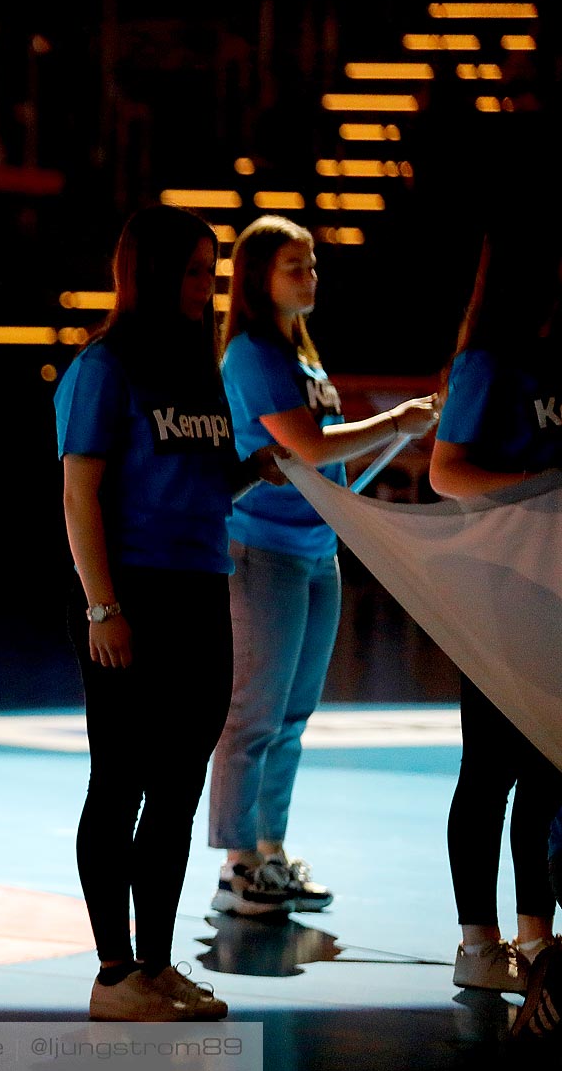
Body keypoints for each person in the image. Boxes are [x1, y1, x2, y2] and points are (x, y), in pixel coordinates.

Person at [54, 203, 281, 1021]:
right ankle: (114, 973)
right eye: (191, 271)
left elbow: (210, 481)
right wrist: (102, 607)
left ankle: (156, 966)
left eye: (210, 272)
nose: (205, 287)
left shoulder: (200, 370)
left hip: (201, 591)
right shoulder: (105, 369)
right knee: (118, 783)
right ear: (149, 273)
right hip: (131, 596)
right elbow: (79, 494)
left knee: (179, 788)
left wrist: (264, 468)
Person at [208, 216, 437, 916]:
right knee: (255, 711)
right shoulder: (252, 353)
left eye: (312, 265)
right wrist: (396, 423)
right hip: (263, 550)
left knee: (294, 712)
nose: (311, 278)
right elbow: (308, 446)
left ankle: (270, 848)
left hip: (313, 549)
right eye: (295, 267)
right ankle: (237, 862)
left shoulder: (297, 352)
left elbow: (317, 452)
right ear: (258, 278)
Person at [427, 226, 562, 995]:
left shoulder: (557, 355)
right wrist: (534, 486)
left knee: (550, 766)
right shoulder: (487, 360)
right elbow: (447, 472)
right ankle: (479, 943)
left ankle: (536, 937)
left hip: (555, 586)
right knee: (490, 771)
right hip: (500, 590)